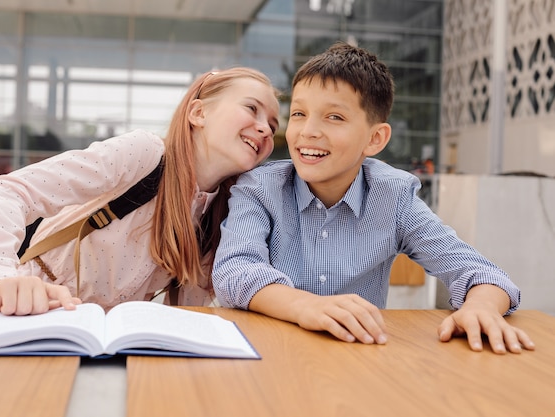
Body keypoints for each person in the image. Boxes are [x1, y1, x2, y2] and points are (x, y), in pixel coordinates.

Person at [212, 42, 535, 354]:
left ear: (375, 138)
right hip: (266, 353)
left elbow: (483, 274)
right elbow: (235, 271)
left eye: (334, 117)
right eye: (298, 113)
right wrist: (305, 305)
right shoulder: (259, 188)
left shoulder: (393, 198)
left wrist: (481, 308)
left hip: (356, 359)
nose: (308, 130)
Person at [0, 67, 280, 316]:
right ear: (198, 113)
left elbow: (188, 311)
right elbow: (7, 191)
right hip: (30, 311)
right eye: (252, 109)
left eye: (273, 125)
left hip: (110, 342)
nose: (265, 128)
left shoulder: (224, 213)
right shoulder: (144, 155)